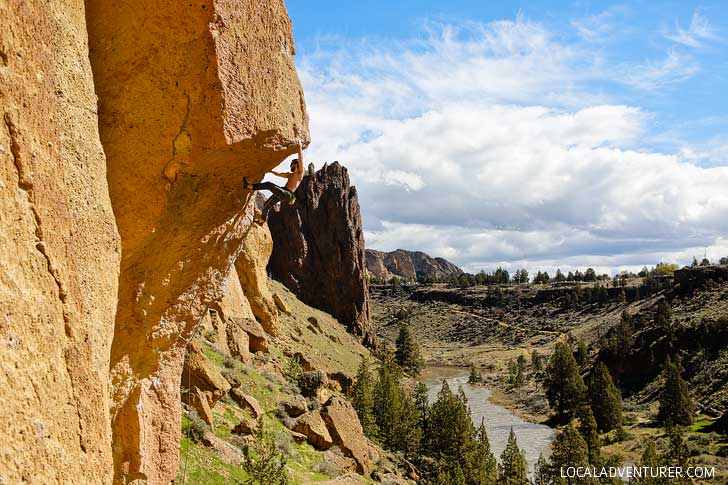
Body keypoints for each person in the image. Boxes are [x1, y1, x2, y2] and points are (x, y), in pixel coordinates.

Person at [243, 141, 305, 224]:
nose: (290, 166)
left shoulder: (300, 173)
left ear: (295, 164)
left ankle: (249, 186)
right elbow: (280, 174)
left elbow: (301, 159)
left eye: (292, 164)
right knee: (266, 205)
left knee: (269, 185)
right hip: (282, 192)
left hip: (287, 194)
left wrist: (299, 148)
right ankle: (261, 221)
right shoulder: (290, 175)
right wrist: (271, 171)